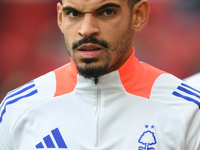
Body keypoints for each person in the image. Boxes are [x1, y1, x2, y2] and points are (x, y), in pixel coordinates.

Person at [0, 0, 200, 149]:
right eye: (74, 14)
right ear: (60, 18)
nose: (86, 30)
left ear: (138, 15)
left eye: (106, 12)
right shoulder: (18, 110)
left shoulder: (187, 111)